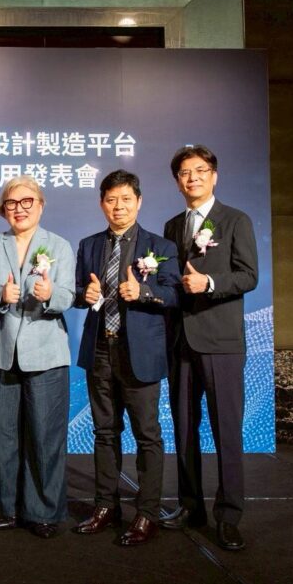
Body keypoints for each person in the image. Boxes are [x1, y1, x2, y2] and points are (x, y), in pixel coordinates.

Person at [73, 170, 179, 546]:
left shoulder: (160, 246)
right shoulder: (89, 245)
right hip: (101, 348)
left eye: (125, 199)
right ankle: (106, 506)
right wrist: (83, 295)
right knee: (104, 433)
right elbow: (78, 291)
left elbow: (174, 294)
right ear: (102, 203)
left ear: (139, 201)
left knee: (147, 435)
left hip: (140, 353)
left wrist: (144, 292)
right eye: (111, 200)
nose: (118, 207)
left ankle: (147, 512)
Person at [160, 145, 258, 551]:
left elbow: (249, 275)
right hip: (180, 340)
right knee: (184, 428)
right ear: (177, 181)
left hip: (221, 341)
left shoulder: (235, 220)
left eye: (200, 170)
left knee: (225, 430)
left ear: (214, 175)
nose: (193, 178)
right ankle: (190, 506)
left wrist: (211, 284)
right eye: (185, 173)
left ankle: (229, 515)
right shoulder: (172, 226)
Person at [0, 175, 75, 539]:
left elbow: (69, 295)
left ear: (40, 205)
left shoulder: (59, 245)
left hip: (46, 353)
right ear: (3, 209)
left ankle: (43, 511)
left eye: (26, 202)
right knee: (5, 435)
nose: (19, 209)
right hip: (5, 353)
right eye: (12, 203)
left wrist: (50, 295)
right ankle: (8, 508)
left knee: (45, 436)